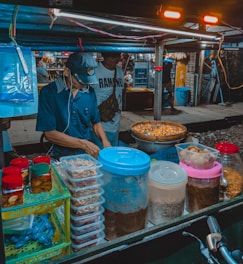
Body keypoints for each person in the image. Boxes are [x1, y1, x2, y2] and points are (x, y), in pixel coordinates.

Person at [36, 52, 111, 160]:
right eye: (80, 81)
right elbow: (49, 133)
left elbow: (96, 122)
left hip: (86, 154)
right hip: (60, 154)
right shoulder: (48, 93)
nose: (84, 85)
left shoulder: (89, 92)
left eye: (87, 82)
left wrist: (105, 141)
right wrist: (83, 144)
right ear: (67, 72)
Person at [91, 52, 124, 147]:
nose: (115, 59)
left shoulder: (120, 71)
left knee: (112, 156)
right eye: (112, 56)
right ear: (104, 56)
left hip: (115, 124)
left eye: (117, 56)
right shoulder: (95, 72)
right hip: (99, 125)